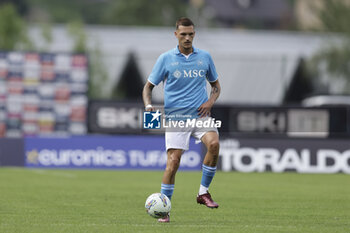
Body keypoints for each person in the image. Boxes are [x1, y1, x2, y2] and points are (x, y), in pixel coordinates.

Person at [142, 17, 221, 223]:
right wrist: (149, 107)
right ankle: (164, 209)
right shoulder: (166, 58)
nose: (187, 37)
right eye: (183, 34)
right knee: (173, 163)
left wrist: (210, 102)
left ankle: (203, 193)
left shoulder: (205, 57)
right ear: (176, 34)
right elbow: (148, 87)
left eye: (191, 34)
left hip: (201, 115)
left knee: (214, 144)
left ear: (194, 34)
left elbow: (216, 86)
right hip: (177, 117)